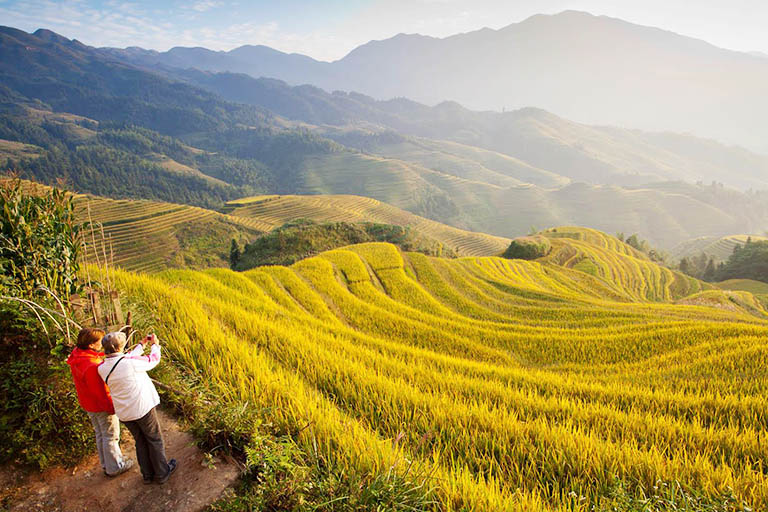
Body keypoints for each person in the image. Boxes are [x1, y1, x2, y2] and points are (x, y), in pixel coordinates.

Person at [98, 331, 177, 484]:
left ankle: (147, 475)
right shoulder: (130, 363)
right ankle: (162, 473)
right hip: (141, 409)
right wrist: (155, 345)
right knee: (154, 439)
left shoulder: (102, 367)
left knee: (140, 441)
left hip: (124, 413)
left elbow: (125, 358)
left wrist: (142, 344)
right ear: (120, 347)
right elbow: (153, 360)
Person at [66, 328, 133, 477]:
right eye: (99, 342)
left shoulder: (77, 355)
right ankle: (115, 466)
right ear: (91, 345)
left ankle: (106, 464)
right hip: (100, 406)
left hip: (88, 403)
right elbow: (101, 392)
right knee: (111, 435)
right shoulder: (92, 366)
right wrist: (111, 408)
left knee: (101, 434)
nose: (102, 344)